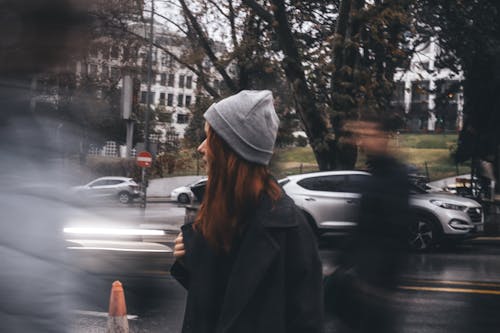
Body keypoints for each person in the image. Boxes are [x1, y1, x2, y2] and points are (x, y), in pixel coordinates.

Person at [171, 90, 324, 333]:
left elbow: (306, 322)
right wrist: (192, 260)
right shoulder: (218, 214)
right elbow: (217, 305)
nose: (201, 148)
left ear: (232, 153)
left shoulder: (291, 231)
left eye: (209, 138)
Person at [324, 118, 410, 332]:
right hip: (362, 278)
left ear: (384, 138)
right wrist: (341, 262)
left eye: (369, 135)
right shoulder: (374, 175)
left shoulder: (395, 176)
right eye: (361, 136)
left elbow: (396, 230)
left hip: (377, 283)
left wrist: (379, 276)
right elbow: (361, 228)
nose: (363, 142)